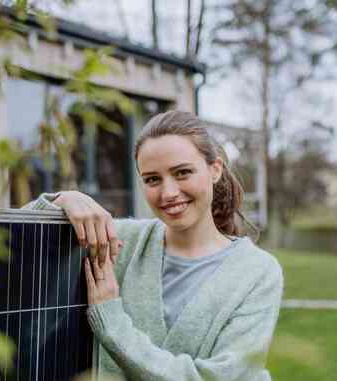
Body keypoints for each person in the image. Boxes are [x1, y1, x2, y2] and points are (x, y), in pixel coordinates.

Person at [22, 110, 283, 381]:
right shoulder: (118, 242)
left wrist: (112, 324)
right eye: (152, 179)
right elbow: (12, 243)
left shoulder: (257, 273)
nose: (168, 193)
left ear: (215, 170)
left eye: (182, 173)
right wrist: (61, 201)